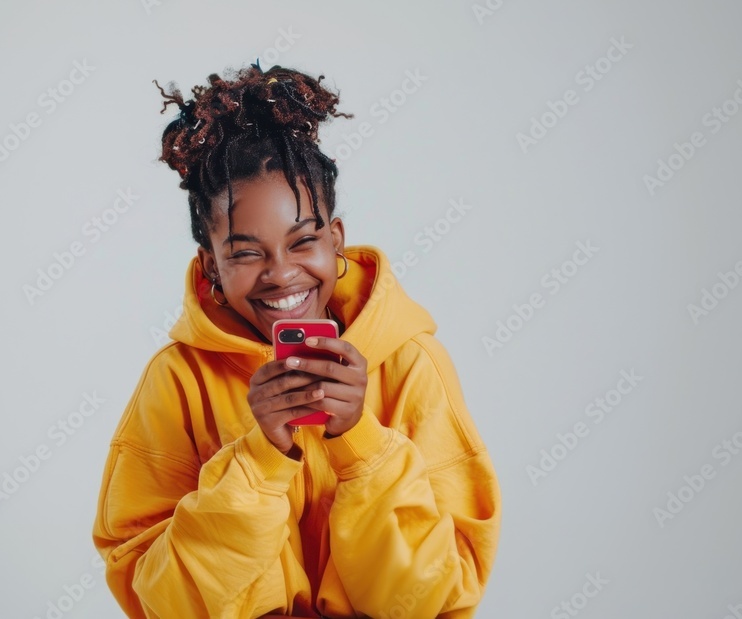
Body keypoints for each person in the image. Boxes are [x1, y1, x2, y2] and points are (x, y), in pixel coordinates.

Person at [91, 62, 501, 618]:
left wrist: (359, 440)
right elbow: (162, 602)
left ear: (335, 241)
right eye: (245, 252)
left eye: (303, 242)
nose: (281, 274)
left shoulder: (411, 363)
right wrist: (261, 460)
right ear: (210, 265)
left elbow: (433, 599)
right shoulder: (176, 380)